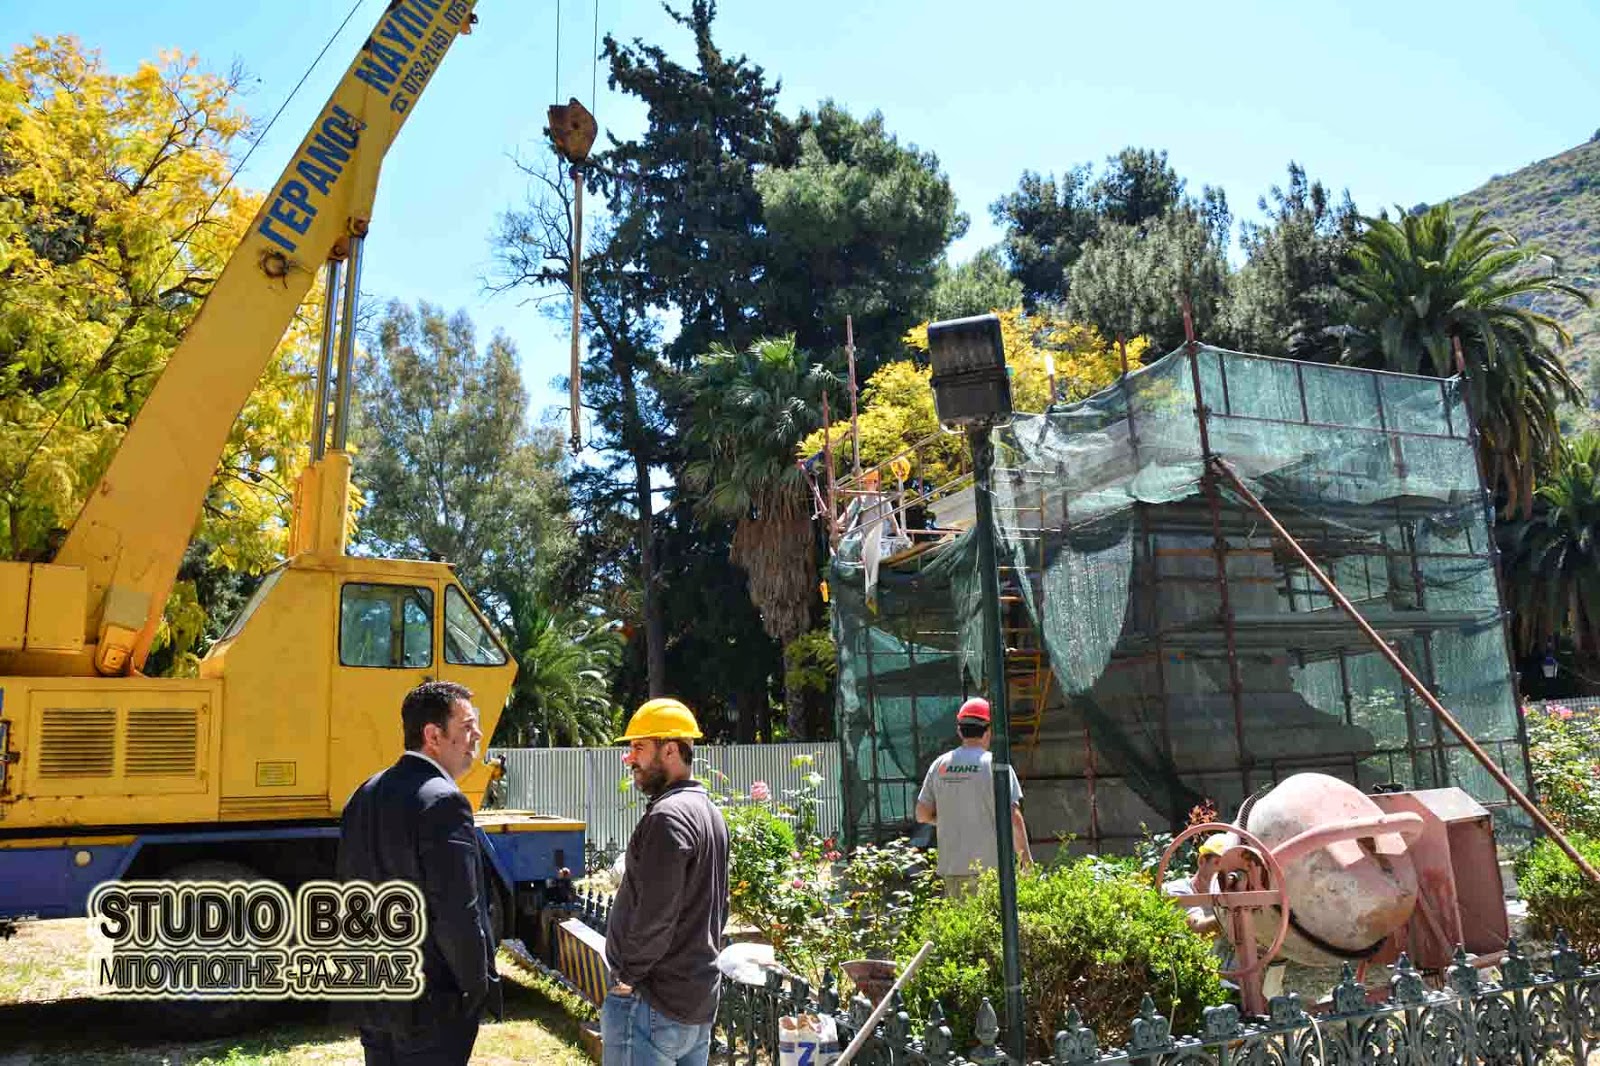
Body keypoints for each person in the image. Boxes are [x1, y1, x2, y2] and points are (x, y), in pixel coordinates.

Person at [336, 680, 501, 1066]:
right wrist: (478, 990)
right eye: (466, 726)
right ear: (433, 735)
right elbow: (458, 911)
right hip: (434, 1005)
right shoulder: (444, 801)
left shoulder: (364, 793)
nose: (477, 735)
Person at [602, 697, 730, 1066]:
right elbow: (720, 909)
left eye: (639, 747)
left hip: (651, 1003)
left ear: (671, 749)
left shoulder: (667, 818)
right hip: (695, 1003)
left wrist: (627, 978)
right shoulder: (710, 813)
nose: (630, 759)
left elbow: (657, 914)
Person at [915, 696, 1033, 897]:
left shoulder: (940, 765)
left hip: (952, 870)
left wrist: (949, 819)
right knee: (991, 928)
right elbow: (1013, 817)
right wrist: (1026, 860)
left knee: (960, 927)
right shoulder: (998, 766)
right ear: (989, 730)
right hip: (991, 871)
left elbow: (922, 815)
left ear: (959, 730)